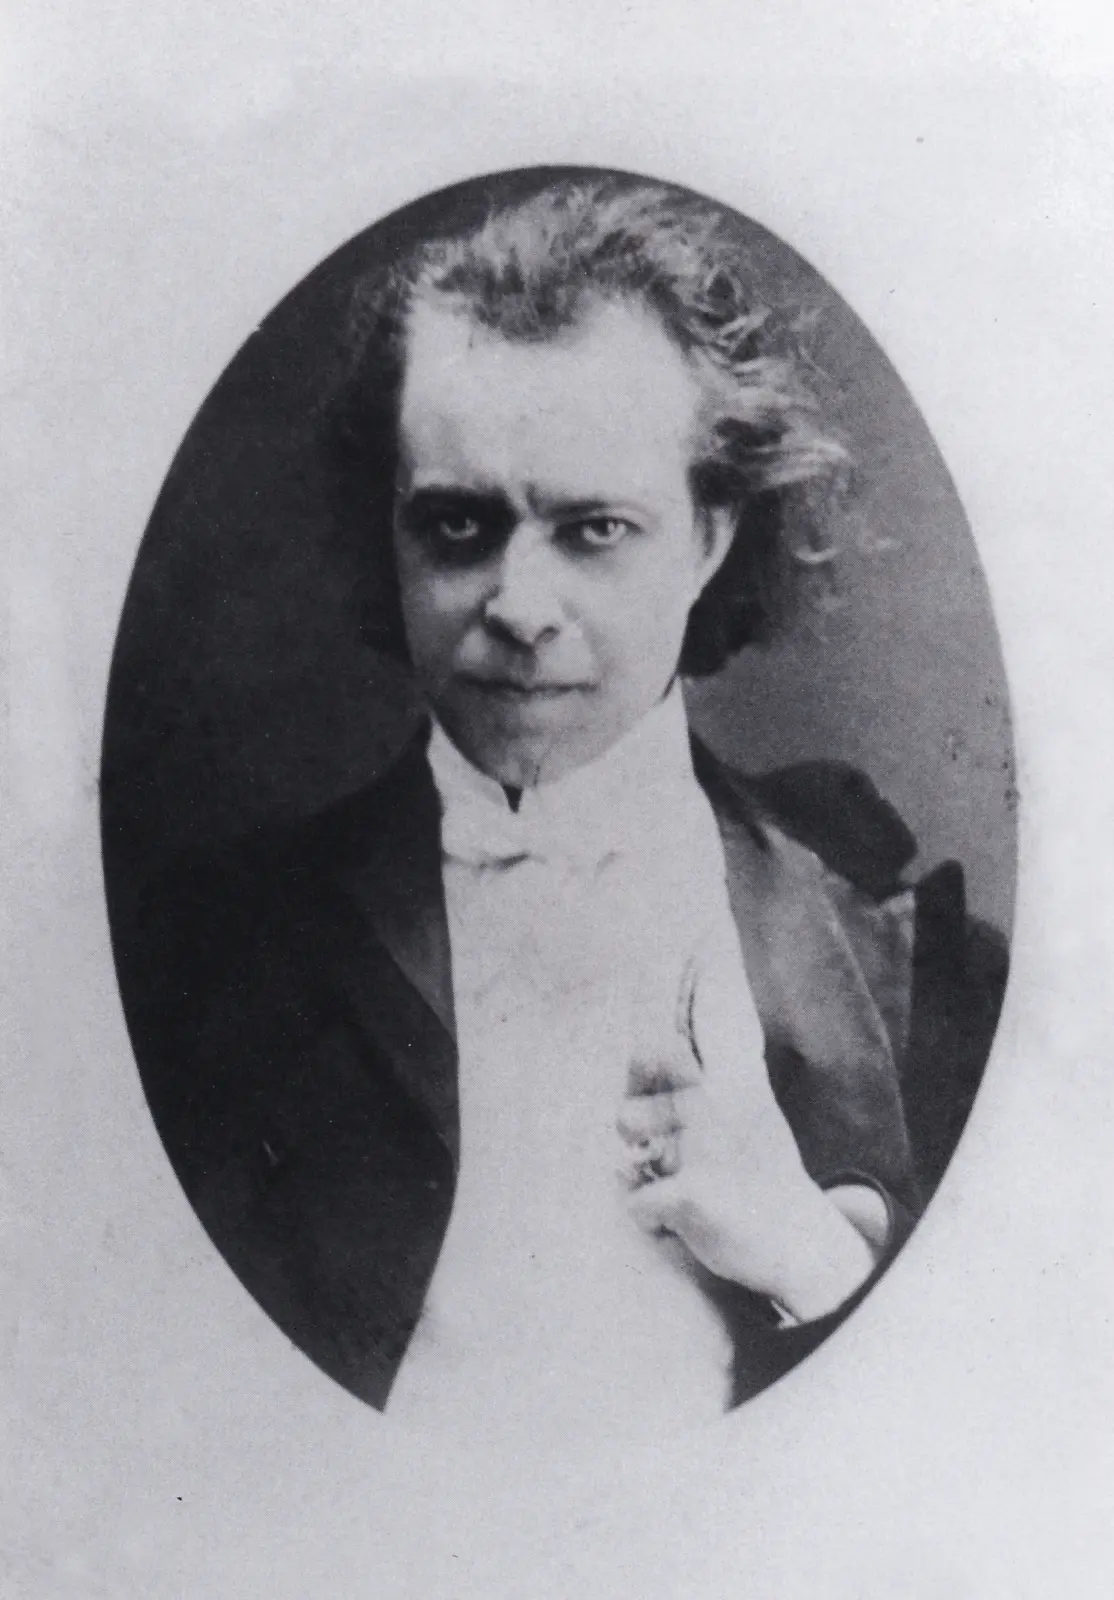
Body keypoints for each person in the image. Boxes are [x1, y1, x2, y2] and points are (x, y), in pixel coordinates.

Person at [119, 174, 1007, 1443]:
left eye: (593, 529)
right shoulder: (201, 961)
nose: (519, 606)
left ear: (708, 535)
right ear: (390, 533)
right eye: (457, 525)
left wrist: (812, 1254)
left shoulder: (920, 966)